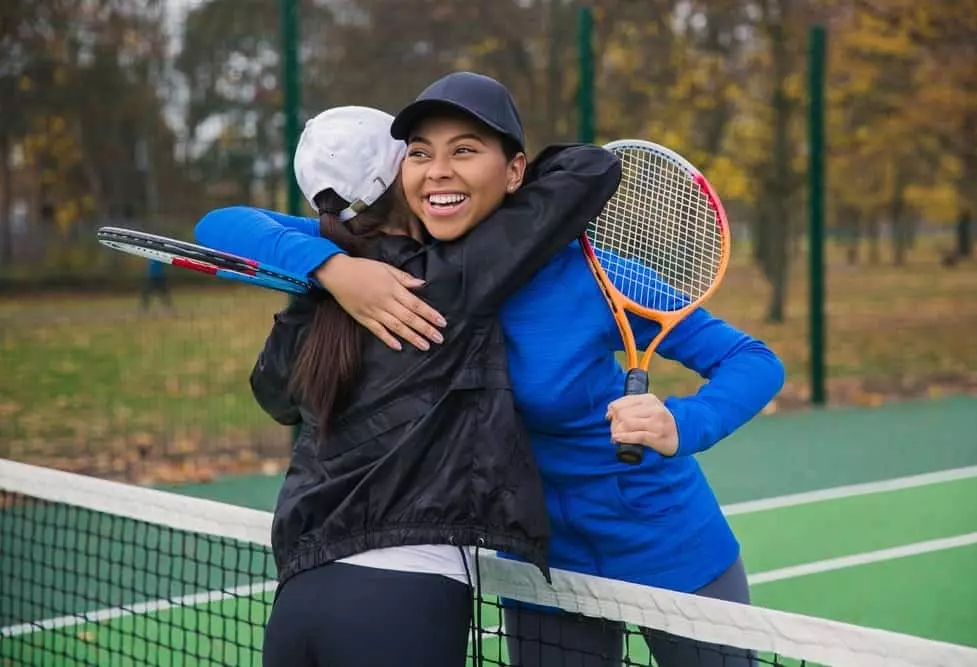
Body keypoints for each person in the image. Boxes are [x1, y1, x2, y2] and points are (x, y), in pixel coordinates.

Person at [196, 72, 784, 666]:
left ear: (515, 172)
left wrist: (681, 424)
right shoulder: (397, 266)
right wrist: (334, 269)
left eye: (466, 150)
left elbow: (751, 360)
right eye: (421, 154)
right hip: (542, 571)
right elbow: (224, 226)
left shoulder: (587, 271)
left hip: (672, 546)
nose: (439, 170)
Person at [247, 103, 623, 667]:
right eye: (418, 155)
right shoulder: (451, 276)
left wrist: (329, 268)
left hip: (299, 596)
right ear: (397, 177)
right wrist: (501, 176)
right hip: (403, 602)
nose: (433, 169)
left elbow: (271, 395)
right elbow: (592, 168)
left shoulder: (310, 303)